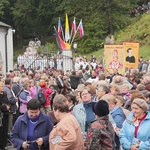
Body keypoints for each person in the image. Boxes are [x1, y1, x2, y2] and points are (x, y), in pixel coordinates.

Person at [0, 81, 10, 150]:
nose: (2, 88)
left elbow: (7, 102)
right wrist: (4, 107)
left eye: (3, 86)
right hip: (1, 115)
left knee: (5, 130)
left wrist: (8, 106)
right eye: (1, 86)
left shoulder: (4, 94)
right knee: (1, 130)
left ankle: (3, 145)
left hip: (6, 114)